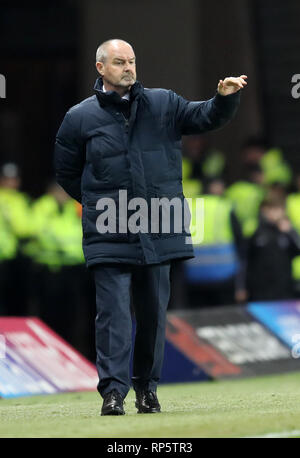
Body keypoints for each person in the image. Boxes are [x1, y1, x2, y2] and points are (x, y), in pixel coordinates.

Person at [54, 39, 247, 415]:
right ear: (100, 68)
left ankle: (147, 389)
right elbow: (67, 171)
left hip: (159, 227)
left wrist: (223, 98)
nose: (128, 67)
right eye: (120, 62)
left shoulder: (164, 103)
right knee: (112, 315)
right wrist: (101, 203)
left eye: (132, 61)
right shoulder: (79, 117)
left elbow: (204, 116)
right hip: (109, 230)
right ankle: (113, 392)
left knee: (154, 314)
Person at [246, 198, 300, 301]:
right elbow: (246, 258)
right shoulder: (255, 229)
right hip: (260, 287)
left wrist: (290, 232)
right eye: (272, 209)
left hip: (284, 285)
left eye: (278, 209)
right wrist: (243, 287)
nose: (275, 213)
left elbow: (298, 250)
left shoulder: (287, 231)